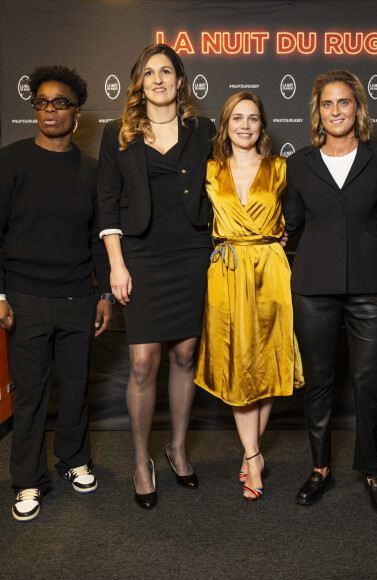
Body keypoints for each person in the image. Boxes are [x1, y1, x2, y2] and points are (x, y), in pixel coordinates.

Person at [97, 44, 215, 509]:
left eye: (167, 71)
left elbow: (232, 181)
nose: (159, 79)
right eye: (150, 73)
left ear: (181, 82)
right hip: (140, 255)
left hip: (192, 251)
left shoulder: (203, 130)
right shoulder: (116, 134)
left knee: (185, 355)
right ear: (139, 83)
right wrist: (117, 263)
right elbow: (106, 202)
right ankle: (141, 460)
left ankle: (178, 448)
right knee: (144, 362)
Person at [0, 66, 113, 521]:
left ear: (77, 112)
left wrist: (104, 292)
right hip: (24, 298)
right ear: (35, 110)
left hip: (77, 299)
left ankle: (74, 459)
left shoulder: (91, 171)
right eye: (42, 102)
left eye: (60, 102)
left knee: (76, 387)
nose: (50, 110)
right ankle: (28, 481)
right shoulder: (9, 161)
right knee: (30, 394)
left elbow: (98, 238)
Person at [284, 70, 377, 514]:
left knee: (368, 383)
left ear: (358, 108)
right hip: (313, 287)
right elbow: (289, 226)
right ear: (318, 111)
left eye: (344, 102)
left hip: (370, 288)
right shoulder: (299, 163)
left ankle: (372, 470)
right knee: (318, 382)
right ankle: (321, 469)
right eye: (328, 104)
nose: (336, 111)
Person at [195, 92, 303, 501]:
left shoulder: (280, 168)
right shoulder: (209, 170)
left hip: (271, 268)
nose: (244, 125)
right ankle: (254, 454)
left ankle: (250, 452)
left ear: (262, 126)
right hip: (226, 270)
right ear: (225, 125)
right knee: (238, 364)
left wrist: (282, 233)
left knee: (268, 363)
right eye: (236, 118)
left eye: (253, 118)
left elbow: (299, 215)